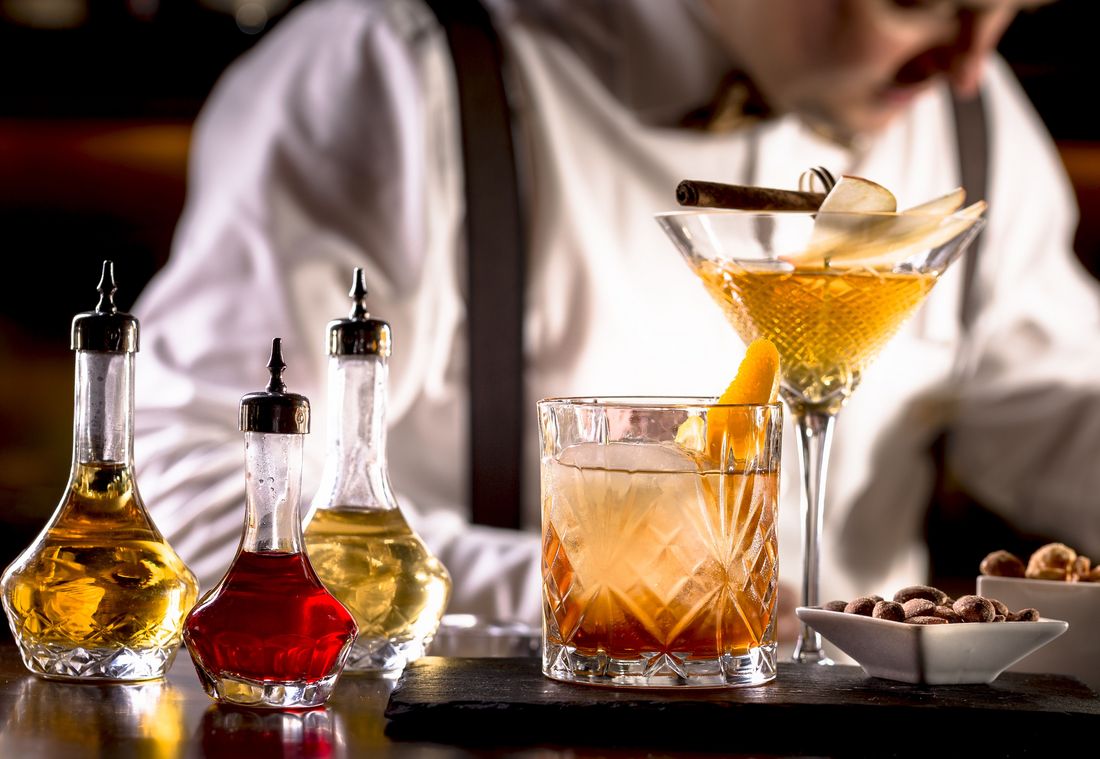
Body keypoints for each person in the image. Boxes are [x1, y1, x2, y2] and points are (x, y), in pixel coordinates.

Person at [132, 0, 1100, 629]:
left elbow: (1061, 415)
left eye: (1009, 8)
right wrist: (599, 592)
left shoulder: (972, 115)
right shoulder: (390, 71)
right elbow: (197, 485)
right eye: (916, 1)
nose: (970, 61)